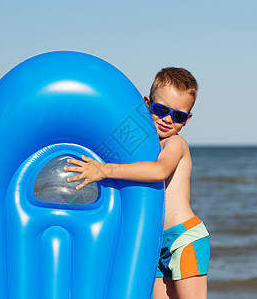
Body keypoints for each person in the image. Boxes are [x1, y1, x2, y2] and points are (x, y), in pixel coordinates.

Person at [64, 67, 210, 299]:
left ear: (188, 118)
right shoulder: (144, 145)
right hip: (155, 240)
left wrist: (103, 170)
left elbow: (160, 170)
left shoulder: (176, 143)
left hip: (184, 239)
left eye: (178, 116)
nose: (168, 120)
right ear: (147, 103)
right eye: (161, 109)